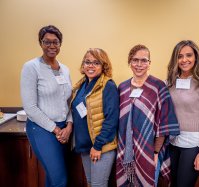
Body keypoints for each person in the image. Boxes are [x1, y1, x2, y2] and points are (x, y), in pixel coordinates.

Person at [116, 44, 180, 187]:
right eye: (135, 60)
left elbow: (164, 121)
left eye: (144, 60)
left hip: (149, 150)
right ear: (129, 62)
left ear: (149, 64)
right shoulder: (122, 87)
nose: (139, 64)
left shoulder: (158, 86)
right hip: (125, 150)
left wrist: (156, 152)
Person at [20, 25, 72, 187]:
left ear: (60, 44)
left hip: (64, 129)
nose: (51, 46)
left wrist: (69, 126)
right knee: (60, 180)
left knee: (52, 178)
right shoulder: (31, 67)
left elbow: (68, 101)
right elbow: (30, 108)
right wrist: (56, 130)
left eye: (55, 42)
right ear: (40, 43)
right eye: (46, 42)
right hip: (42, 130)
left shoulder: (65, 69)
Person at [166, 40, 199, 187]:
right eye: (180, 56)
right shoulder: (170, 82)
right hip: (173, 142)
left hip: (193, 144)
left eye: (189, 55)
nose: (184, 60)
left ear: (196, 57)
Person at [71, 48, 119, 187]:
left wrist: (97, 146)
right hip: (84, 145)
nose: (91, 66)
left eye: (96, 62)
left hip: (100, 146)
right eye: (87, 62)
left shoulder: (108, 85)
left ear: (103, 65)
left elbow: (111, 119)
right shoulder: (81, 85)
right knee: (91, 183)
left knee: (98, 185)